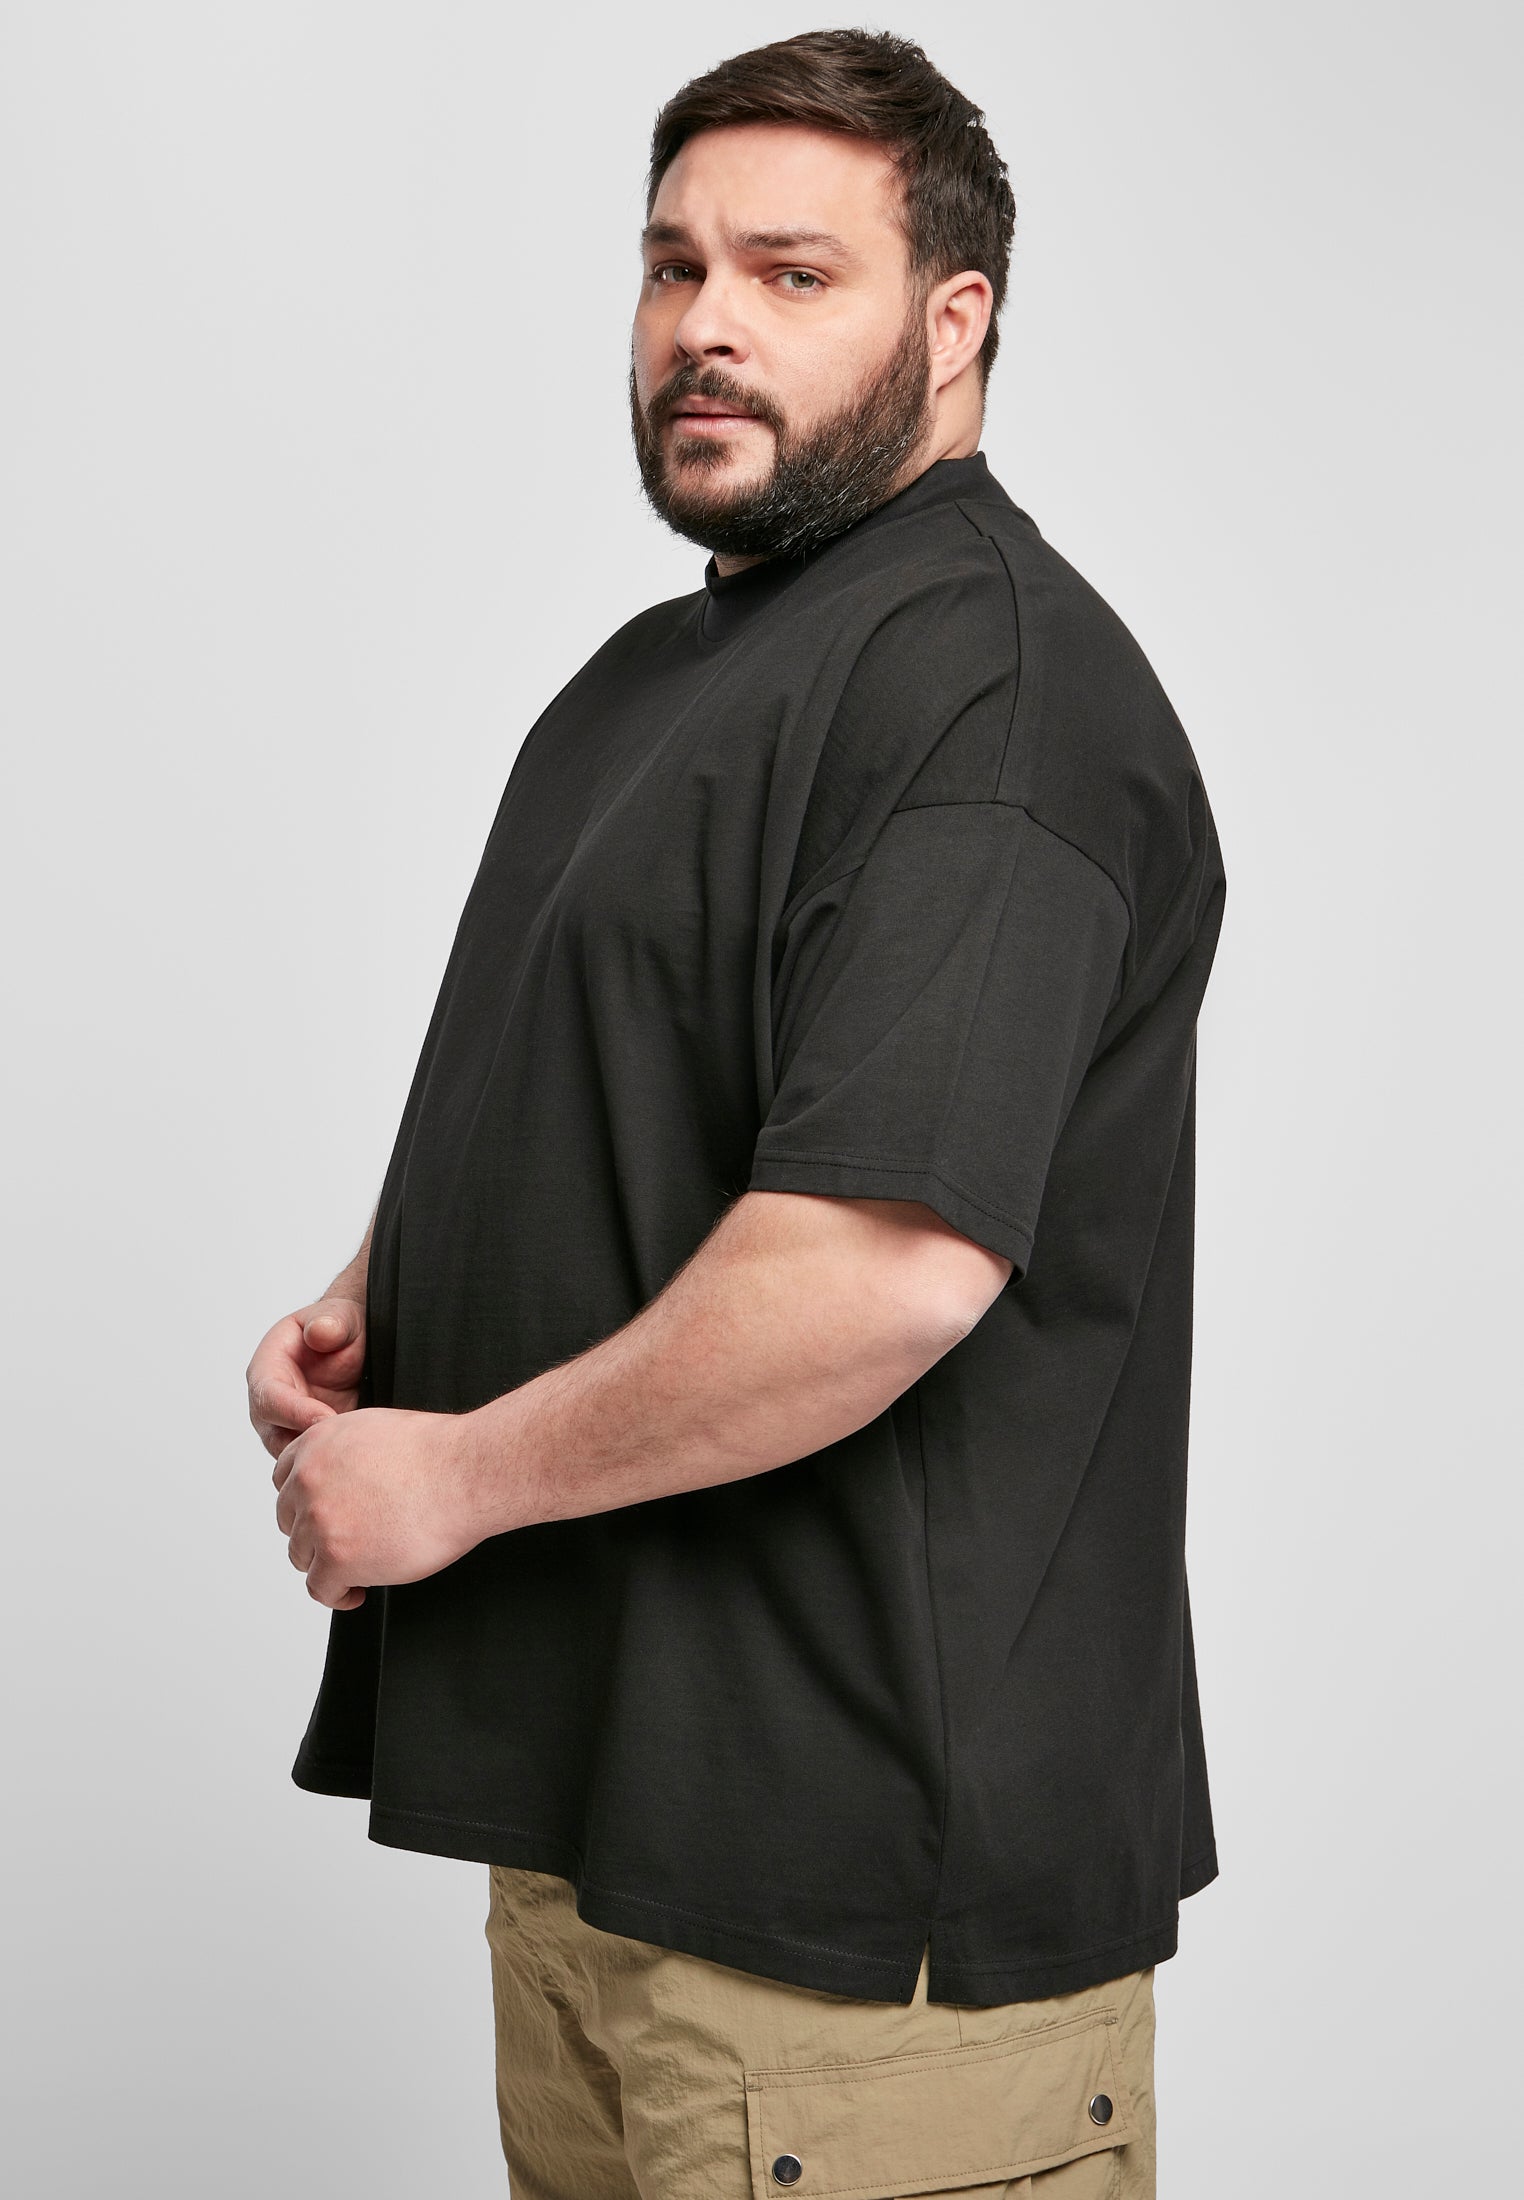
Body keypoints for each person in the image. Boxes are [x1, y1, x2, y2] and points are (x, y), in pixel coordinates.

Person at [246, 29, 1226, 2199]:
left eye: (791, 273)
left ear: (952, 322)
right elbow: (658, 1086)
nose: (705, 323)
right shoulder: (656, 678)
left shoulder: (991, 685)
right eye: (673, 264)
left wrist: (456, 1476)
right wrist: (386, 1298)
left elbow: (883, 1268)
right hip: (609, 1861)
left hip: (859, 1937)